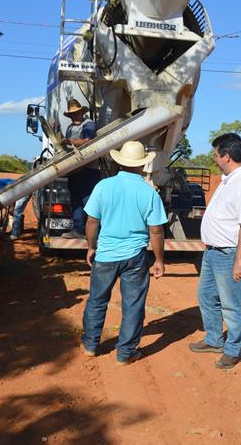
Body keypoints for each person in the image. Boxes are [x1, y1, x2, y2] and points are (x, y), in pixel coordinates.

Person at [81, 141, 167, 365]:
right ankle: (125, 354)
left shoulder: (103, 186)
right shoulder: (149, 193)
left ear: (120, 161)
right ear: (142, 165)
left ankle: (90, 345)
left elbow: (92, 221)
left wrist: (92, 246)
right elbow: (156, 230)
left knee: (97, 300)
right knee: (133, 305)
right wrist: (159, 260)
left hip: (106, 254)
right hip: (135, 257)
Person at [189, 133, 241, 370]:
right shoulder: (230, 179)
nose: (214, 158)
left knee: (231, 302)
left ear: (226, 156)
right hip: (213, 252)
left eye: (216, 154)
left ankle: (233, 349)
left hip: (229, 253)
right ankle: (213, 339)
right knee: (207, 296)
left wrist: (239, 261)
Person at [61, 99, 100, 239]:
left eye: (77, 113)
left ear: (82, 113)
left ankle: (95, 231)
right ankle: (78, 230)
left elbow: (87, 141)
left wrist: (70, 141)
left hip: (88, 169)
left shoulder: (88, 124)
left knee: (89, 201)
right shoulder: (70, 128)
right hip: (74, 169)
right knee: (76, 200)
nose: (75, 116)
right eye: (72, 114)